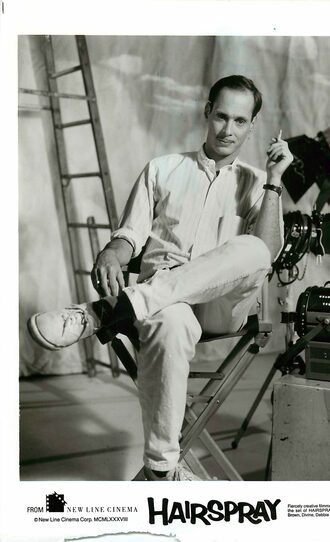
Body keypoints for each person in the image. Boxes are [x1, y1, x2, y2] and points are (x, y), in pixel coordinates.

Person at [27, 75, 294, 481]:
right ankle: (161, 468)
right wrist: (112, 252)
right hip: (168, 304)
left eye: (240, 121)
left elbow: (268, 254)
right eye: (221, 116)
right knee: (169, 321)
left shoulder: (259, 182)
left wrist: (275, 180)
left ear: (252, 125)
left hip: (222, 307)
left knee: (255, 249)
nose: (228, 130)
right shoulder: (162, 169)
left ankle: (108, 311)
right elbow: (128, 237)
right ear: (207, 112)